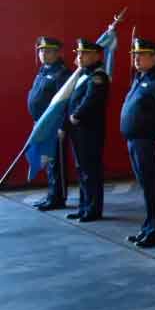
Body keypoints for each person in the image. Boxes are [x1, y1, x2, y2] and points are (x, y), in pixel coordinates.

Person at [120, 38, 155, 247]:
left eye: (141, 55)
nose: (136, 58)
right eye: (135, 54)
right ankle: (148, 226)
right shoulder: (142, 77)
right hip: (136, 140)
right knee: (146, 187)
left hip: (150, 142)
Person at [66, 38, 110, 222]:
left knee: (90, 171)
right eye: (78, 53)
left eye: (83, 53)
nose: (79, 56)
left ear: (95, 55)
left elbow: (91, 100)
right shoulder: (83, 74)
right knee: (81, 169)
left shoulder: (98, 76)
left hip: (89, 129)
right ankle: (83, 206)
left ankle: (93, 209)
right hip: (78, 130)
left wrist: (76, 115)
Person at [28, 36, 71, 211]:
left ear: (56, 52)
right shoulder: (43, 71)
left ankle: (58, 198)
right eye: (41, 51)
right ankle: (51, 194)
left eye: (47, 51)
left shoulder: (62, 73)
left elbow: (65, 102)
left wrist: (62, 126)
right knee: (47, 159)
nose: (43, 54)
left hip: (54, 126)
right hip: (42, 124)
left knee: (56, 163)